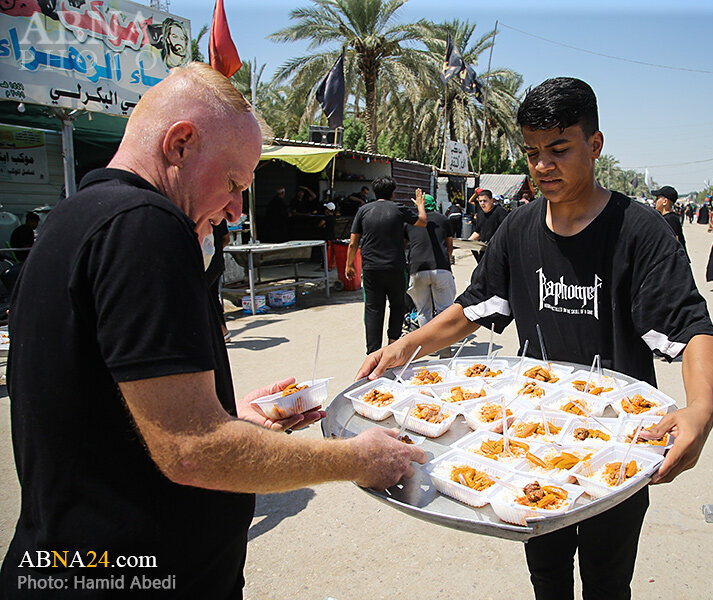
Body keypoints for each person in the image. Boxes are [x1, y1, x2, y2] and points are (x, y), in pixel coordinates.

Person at [0, 63, 426, 599]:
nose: (235, 210)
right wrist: (356, 459)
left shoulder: (74, 218)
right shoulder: (146, 226)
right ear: (180, 144)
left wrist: (231, 418)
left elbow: (104, 411)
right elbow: (191, 450)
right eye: (232, 184)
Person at [355, 77, 713, 600]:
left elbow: (694, 332)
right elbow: (471, 311)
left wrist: (700, 409)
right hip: (528, 444)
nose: (542, 165)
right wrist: (403, 347)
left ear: (594, 145)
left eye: (558, 149)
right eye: (532, 152)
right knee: (547, 576)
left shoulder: (639, 232)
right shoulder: (520, 229)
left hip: (617, 445)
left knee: (607, 580)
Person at [346, 176, 427, 353]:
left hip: (371, 269)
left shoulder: (363, 210)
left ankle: (373, 352)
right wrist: (420, 204)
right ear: (393, 193)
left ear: (375, 192)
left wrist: (349, 264)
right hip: (395, 267)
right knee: (398, 305)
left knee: (373, 308)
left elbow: (353, 242)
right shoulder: (399, 209)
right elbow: (422, 221)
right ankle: (393, 344)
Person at [405, 194, 455, 327]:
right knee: (445, 310)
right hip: (441, 269)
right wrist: (447, 261)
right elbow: (450, 244)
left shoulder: (410, 221)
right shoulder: (443, 219)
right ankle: (444, 346)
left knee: (423, 312)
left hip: (417, 270)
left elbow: (403, 245)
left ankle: (428, 347)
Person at [467, 188, 506, 262]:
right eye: (480, 201)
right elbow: (478, 232)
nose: (482, 203)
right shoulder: (480, 214)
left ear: (491, 200)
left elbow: (505, 231)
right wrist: (469, 242)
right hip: (484, 249)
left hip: (497, 251)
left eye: (485, 201)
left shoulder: (500, 212)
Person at [653, 185, 687, 256]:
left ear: (665, 201)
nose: (655, 201)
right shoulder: (669, 217)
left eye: (657, 198)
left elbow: (674, 242)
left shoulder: (670, 219)